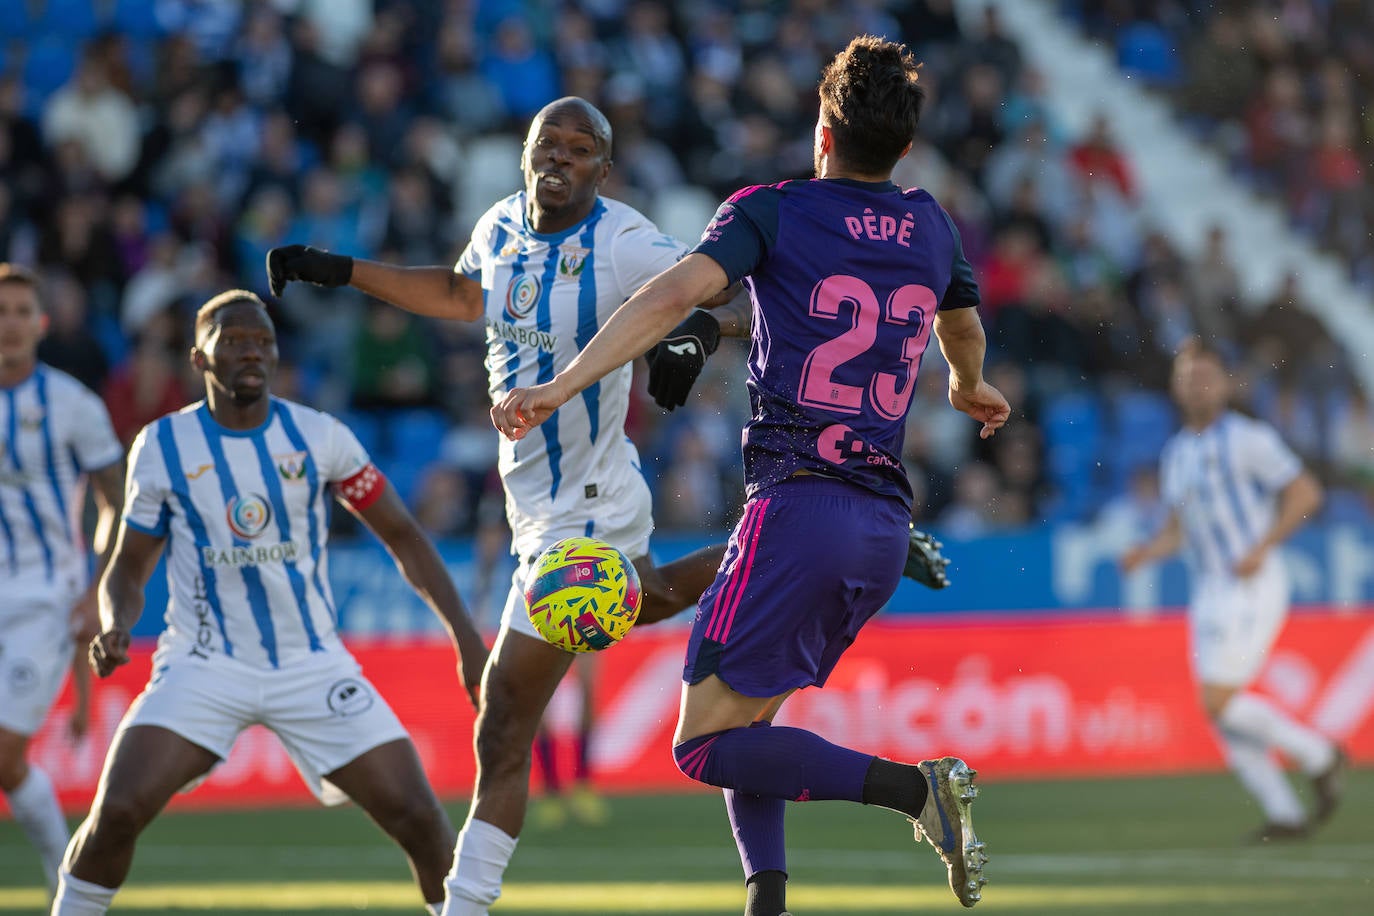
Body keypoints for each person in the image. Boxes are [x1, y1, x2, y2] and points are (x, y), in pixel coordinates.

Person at [268, 95, 954, 915]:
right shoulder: (500, 227)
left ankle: (464, 905)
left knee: (503, 717)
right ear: (525, 154)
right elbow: (459, 296)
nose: (559, 158)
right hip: (535, 500)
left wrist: (689, 333)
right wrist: (338, 270)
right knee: (649, 599)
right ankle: (772, 548)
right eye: (545, 144)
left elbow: (727, 297)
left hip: (585, 495)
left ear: (605, 168)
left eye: (579, 148)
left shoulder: (625, 239)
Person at [491, 39, 1006, 915]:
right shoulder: (930, 224)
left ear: (822, 130)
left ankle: (919, 793)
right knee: (746, 724)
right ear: (905, 146)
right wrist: (967, 384)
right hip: (881, 522)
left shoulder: (773, 208)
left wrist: (561, 382)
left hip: (796, 509)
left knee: (702, 746)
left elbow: (669, 297)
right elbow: (963, 327)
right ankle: (765, 901)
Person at [51, 290, 489, 916]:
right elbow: (128, 562)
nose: (252, 352)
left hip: (311, 665)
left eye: (263, 342)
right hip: (203, 666)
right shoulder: (162, 447)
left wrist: (468, 642)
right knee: (115, 811)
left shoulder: (318, 437)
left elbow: (405, 538)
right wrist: (117, 620)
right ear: (199, 358)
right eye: (233, 340)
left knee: (422, 820)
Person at [1120, 338, 1345, 842]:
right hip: (1210, 592)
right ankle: (1284, 813)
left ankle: (1320, 755)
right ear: (1176, 387)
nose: (1197, 385)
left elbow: (1306, 491)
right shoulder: (1177, 453)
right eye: (1188, 378)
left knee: (1218, 701)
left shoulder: (1248, 438)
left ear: (1224, 384)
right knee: (1222, 715)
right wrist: (1146, 553)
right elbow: (1179, 531)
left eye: (1206, 377)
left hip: (1252, 583)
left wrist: (1264, 545)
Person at [0, 264, 124, 898]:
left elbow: (116, 500)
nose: (10, 323)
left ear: (41, 324)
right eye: (2, 311)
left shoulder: (72, 404)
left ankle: (64, 882)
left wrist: (95, 586)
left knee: (4, 751)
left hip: (43, 598)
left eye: (22, 311)